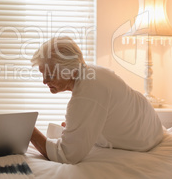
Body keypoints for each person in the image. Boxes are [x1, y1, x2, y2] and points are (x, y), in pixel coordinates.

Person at [29, 36, 164, 164]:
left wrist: (29, 130)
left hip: (145, 138)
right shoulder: (93, 72)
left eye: (50, 75)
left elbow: (66, 155)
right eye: (43, 73)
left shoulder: (87, 94)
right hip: (150, 124)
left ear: (72, 71)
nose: (44, 81)